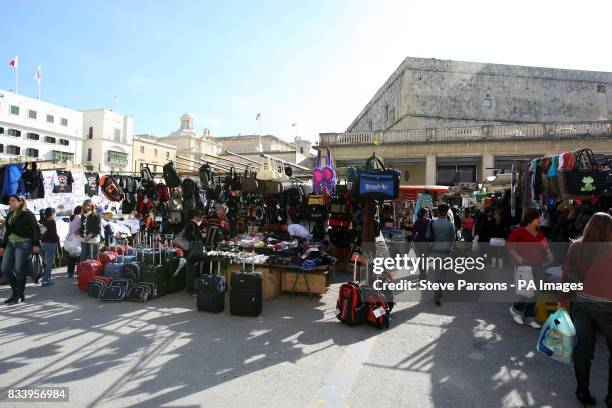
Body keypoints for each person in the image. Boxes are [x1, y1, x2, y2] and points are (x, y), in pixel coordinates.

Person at [559, 212, 612, 406]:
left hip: (581, 303)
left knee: (583, 349)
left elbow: (566, 276)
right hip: (607, 304)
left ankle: (582, 391)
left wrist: (561, 300)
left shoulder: (577, 247)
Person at [506, 209, 554, 329]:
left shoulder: (540, 234)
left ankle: (529, 317)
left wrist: (549, 255)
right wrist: (518, 257)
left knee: (536, 293)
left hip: (538, 265)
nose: (540, 220)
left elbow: (545, 248)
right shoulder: (520, 232)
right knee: (529, 292)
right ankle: (516, 308)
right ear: (530, 219)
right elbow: (509, 245)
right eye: (538, 217)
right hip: (524, 266)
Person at [0, 196, 41, 305]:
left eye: (13, 200)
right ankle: (16, 292)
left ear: (20, 202)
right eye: (10, 200)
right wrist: (3, 245)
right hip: (11, 243)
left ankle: (19, 295)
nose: (10, 202)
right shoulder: (10, 214)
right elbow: (8, 232)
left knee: (19, 270)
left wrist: (36, 243)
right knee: (5, 268)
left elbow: (35, 228)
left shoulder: (27, 214)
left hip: (24, 244)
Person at [425, 204, 456, 306]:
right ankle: (439, 293)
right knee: (443, 272)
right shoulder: (450, 224)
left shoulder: (432, 222)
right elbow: (453, 239)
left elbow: (428, 235)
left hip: (435, 250)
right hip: (446, 251)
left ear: (438, 211)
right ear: (447, 212)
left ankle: (437, 294)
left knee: (437, 272)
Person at [183, 209, 204, 296]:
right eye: (200, 217)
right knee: (190, 271)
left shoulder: (190, 224)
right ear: (196, 217)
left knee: (191, 271)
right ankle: (190, 290)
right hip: (191, 251)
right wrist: (200, 235)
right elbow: (188, 236)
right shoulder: (191, 225)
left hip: (190, 251)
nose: (201, 219)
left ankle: (191, 289)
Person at [40, 208, 60, 287]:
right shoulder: (52, 222)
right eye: (54, 213)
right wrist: (57, 240)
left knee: (43, 262)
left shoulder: (41, 221)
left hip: (42, 242)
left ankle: (42, 277)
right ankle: (46, 280)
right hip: (50, 243)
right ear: (52, 214)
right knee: (49, 262)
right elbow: (53, 234)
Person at [65, 205, 82, 278]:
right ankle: (78, 271)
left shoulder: (71, 217)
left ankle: (70, 271)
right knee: (78, 255)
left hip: (70, 237)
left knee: (71, 256)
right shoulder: (79, 217)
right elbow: (80, 227)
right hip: (76, 238)